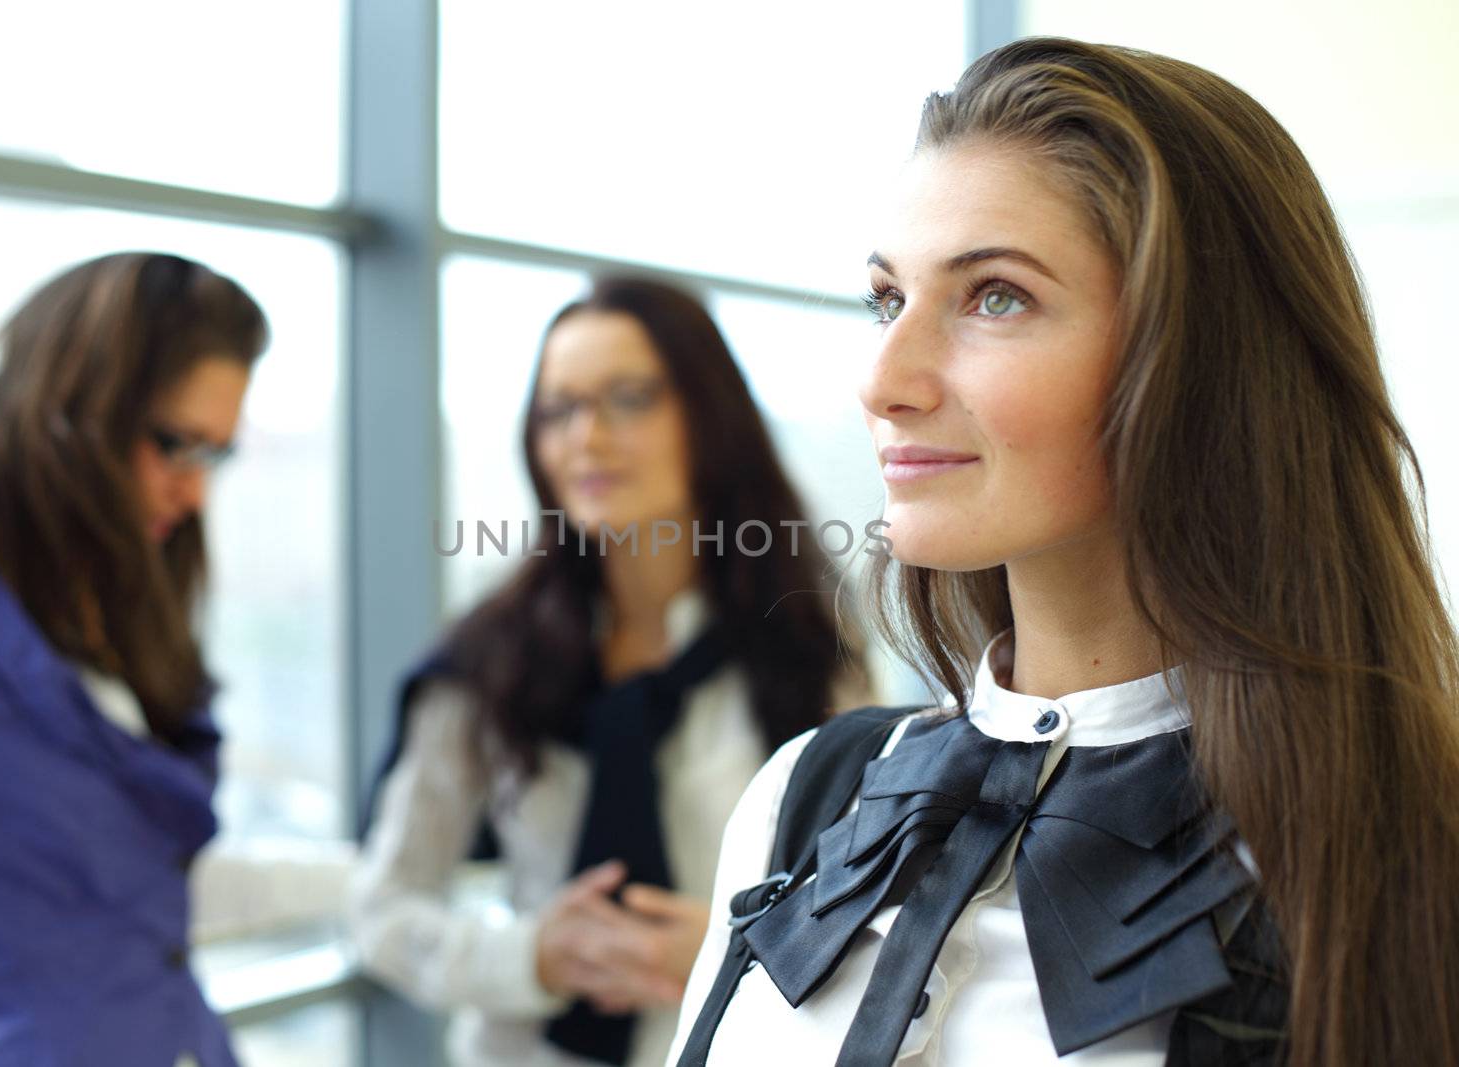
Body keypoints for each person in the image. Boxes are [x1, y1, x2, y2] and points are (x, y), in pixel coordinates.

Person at [669, 37, 1459, 1067]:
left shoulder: (1395, 866)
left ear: (1199, 362)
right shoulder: (803, 796)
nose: (882, 376)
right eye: (886, 299)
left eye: (995, 296)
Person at [349, 276, 866, 1067]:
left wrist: (735, 941)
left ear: (707, 414)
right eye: (558, 409)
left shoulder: (802, 638)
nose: (586, 436)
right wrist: (532, 956)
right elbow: (380, 910)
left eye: (628, 399)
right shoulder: (487, 660)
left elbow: (865, 890)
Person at [0, 252, 268, 1067]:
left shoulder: (108, 621)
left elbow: (139, 894)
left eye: (214, 455)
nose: (194, 494)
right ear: (69, 413)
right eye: (175, 445)